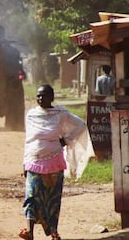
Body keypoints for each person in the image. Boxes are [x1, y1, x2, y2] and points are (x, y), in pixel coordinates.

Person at [20, 84, 92, 240]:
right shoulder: (31, 114)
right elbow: (28, 140)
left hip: (54, 162)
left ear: (52, 98)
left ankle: (54, 232)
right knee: (31, 196)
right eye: (38, 95)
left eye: (44, 95)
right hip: (34, 161)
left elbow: (80, 125)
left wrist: (66, 140)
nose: (40, 98)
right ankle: (29, 232)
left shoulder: (60, 113)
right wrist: (25, 161)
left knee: (52, 200)